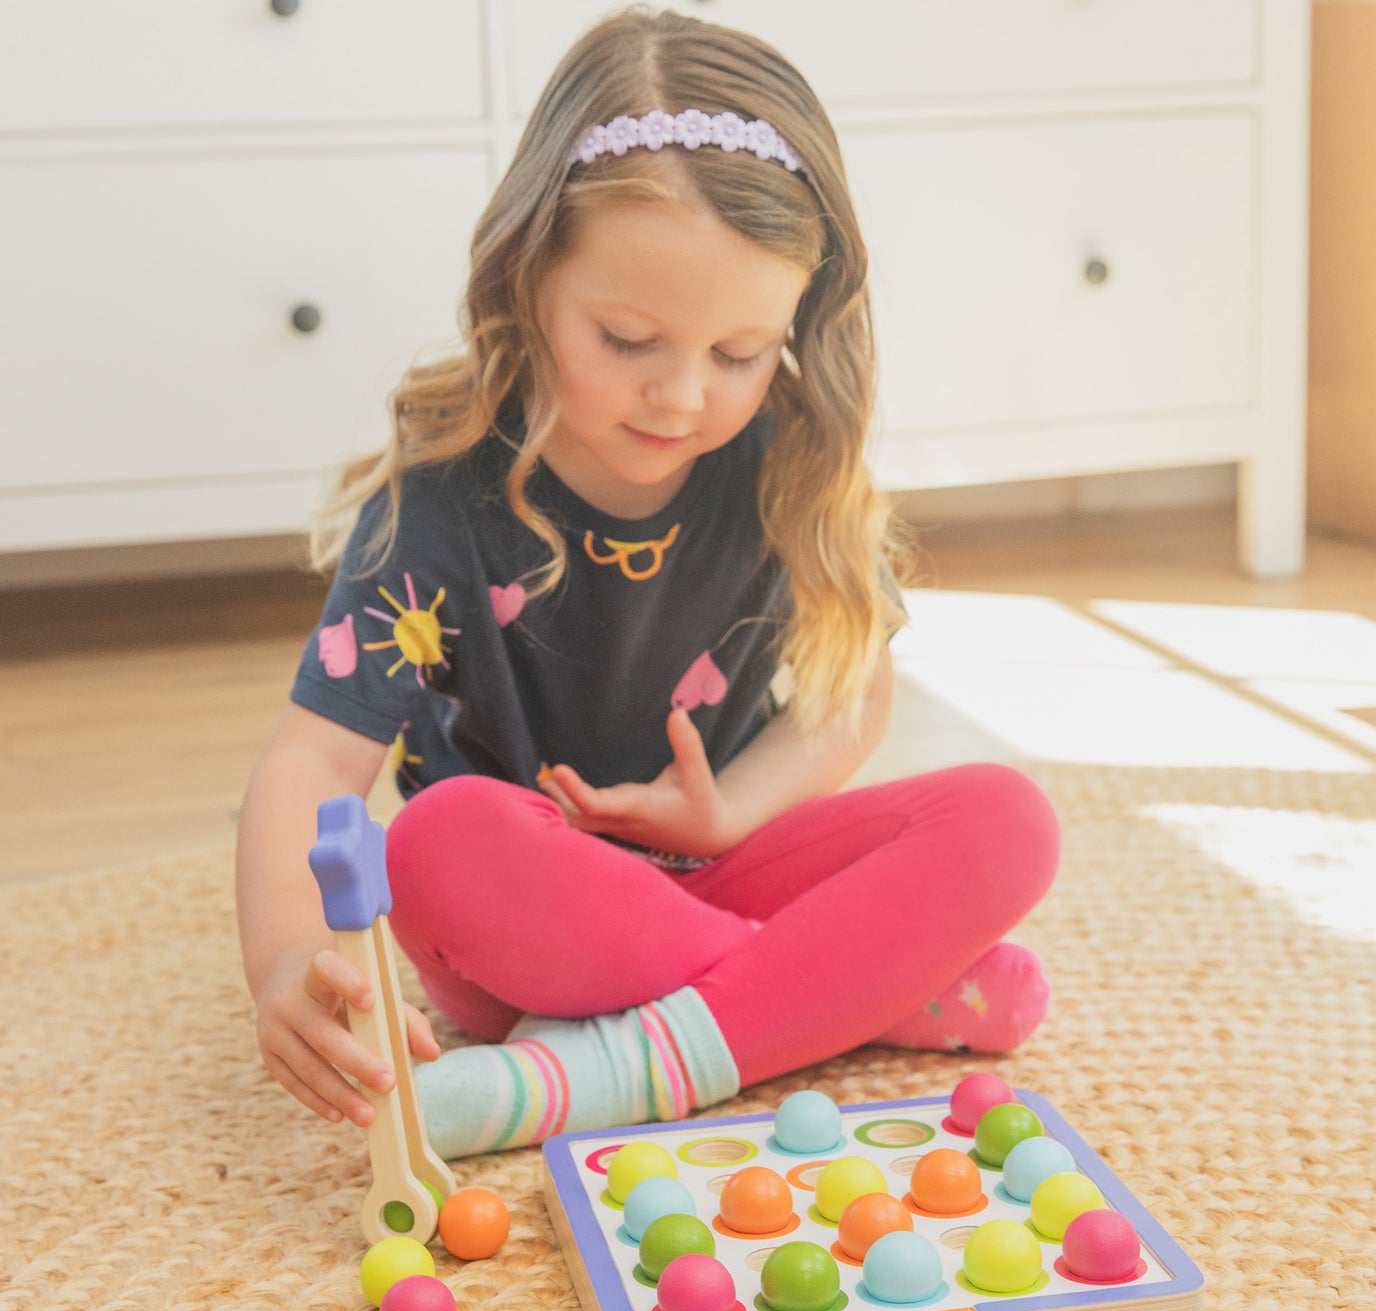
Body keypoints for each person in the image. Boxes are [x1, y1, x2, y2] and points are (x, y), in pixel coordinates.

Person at [237, 8, 1060, 1159]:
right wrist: (282, 955)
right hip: (521, 910)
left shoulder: (784, 457)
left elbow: (850, 697)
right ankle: (845, 991)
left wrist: (727, 811)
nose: (682, 396)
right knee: (435, 838)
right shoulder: (438, 502)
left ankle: (610, 1063)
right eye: (628, 337)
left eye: (737, 352)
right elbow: (311, 762)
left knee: (1003, 819)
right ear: (528, 279)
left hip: (719, 860)